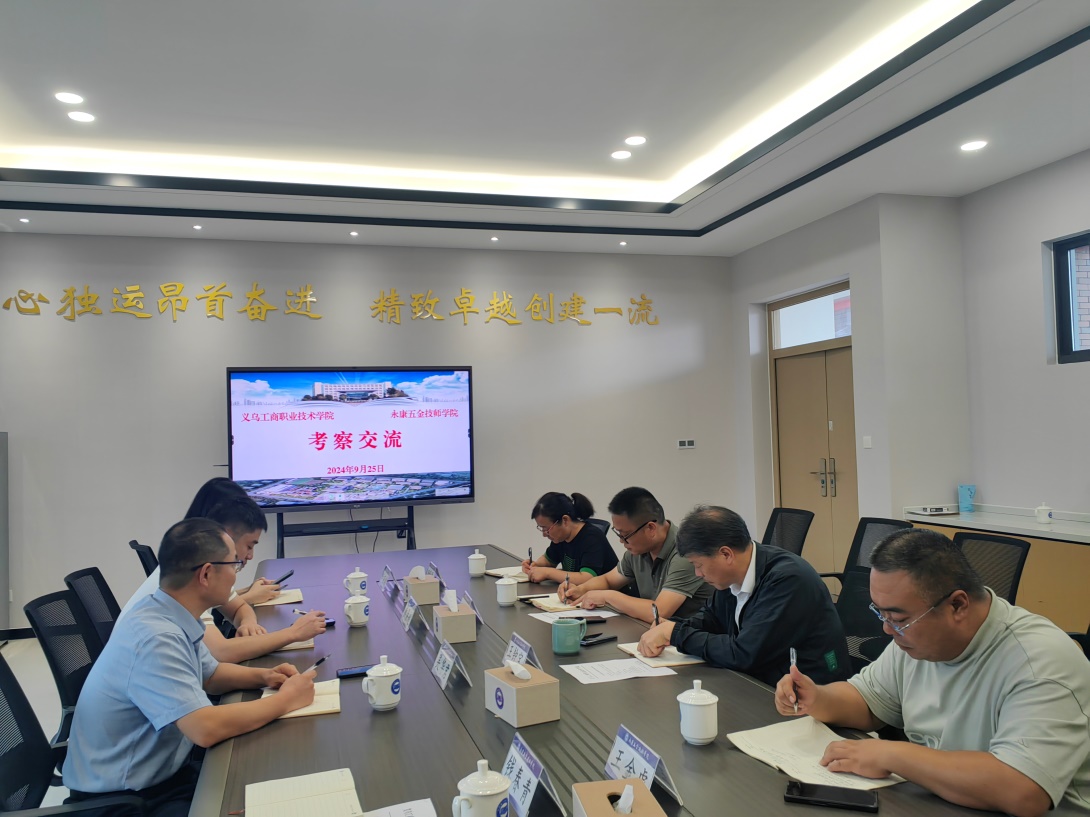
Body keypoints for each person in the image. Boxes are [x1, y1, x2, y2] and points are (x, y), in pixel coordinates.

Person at [774, 528, 1090, 817]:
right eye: (880, 614)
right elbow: (868, 700)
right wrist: (817, 697)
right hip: (940, 800)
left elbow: (1023, 791)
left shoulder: (1040, 662)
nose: (887, 629)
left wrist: (891, 756)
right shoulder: (916, 641)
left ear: (957, 606)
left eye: (898, 618)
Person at [63, 518, 317, 816]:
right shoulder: (156, 638)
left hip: (163, 775)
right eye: (234, 565)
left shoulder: (168, 611)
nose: (236, 577)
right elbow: (204, 729)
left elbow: (210, 676)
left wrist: (264, 676)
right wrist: (286, 700)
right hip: (125, 802)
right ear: (206, 574)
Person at [636, 505, 851, 686]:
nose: (698, 574)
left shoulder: (787, 580)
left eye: (698, 565)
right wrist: (671, 626)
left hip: (806, 696)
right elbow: (711, 619)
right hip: (762, 681)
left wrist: (675, 634)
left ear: (726, 554)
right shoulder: (732, 577)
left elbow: (744, 653)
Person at [120, 485, 327, 662]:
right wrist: (293, 633)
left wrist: (248, 624)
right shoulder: (188, 583)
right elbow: (220, 653)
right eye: (249, 546)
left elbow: (238, 608)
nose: (250, 556)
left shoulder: (199, 568)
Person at [560, 487, 711, 623]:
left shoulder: (685, 553)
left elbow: (659, 612)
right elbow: (608, 580)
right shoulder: (638, 550)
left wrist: (607, 596)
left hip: (688, 637)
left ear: (650, 528)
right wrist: (581, 590)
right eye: (618, 533)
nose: (621, 541)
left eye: (625, 535)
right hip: (651, 631)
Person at [521, 491, 618, 585]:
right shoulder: (560, 538)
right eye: (541, 528)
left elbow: (587, 578)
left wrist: (547, 573)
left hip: (609, 594)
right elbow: (548, 561)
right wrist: (534, 566)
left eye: (546, 529)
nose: (544, 534)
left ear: (565, 520)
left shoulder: (592, 538)